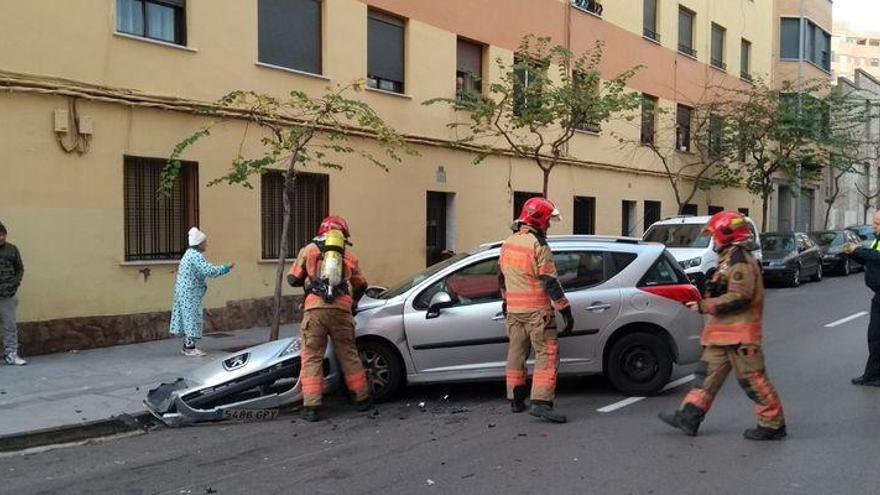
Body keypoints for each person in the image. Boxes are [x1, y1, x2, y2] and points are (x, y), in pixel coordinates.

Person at [659, 211, 786, 440]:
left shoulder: (740, 262)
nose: (713, 240)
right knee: (704, 377)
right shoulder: (728, 259)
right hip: (723, 335)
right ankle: (689, 416)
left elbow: (740, 297)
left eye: (714, 235)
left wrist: (704, 305)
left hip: (740, 336)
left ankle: (773, 424)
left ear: (726, 236)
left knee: (753, 380)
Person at [287, 215, 372, 422]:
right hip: (342, 310)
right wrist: (352, 303)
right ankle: (362, 399)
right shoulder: (349, 257)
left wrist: (310, 280)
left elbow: (292, 279)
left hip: (314, 310)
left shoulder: (308, 250)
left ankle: (311, 406)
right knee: (348, 354)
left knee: (312, 356)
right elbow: (362, 285)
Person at [499, 197, 574, 423]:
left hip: (514, 311)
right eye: (548, 220)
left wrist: (506, 304)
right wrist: (565, 310)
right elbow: (550, 281)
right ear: (538, 219)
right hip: (537, 313)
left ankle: (516, 398)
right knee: (547, 355)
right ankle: (541, 403)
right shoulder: (538, 245)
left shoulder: (508, 242)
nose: (549, 225)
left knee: (516, 353)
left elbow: (501, 278)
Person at [170, 227, 233, 357]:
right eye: (205, 242)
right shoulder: (195, 256)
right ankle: (189, 347)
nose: (206, 244)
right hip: (189, 292)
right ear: (199, 243)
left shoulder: (189, 254)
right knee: (191, 317)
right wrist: (226, 268)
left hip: (185, 291)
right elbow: (209, 271)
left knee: (188, 317)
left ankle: (187, 346)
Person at [844, 210, 880, 386]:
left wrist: (859, 249)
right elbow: (870, 261)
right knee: (875, 337)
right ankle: (872, 375)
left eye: (878, 223)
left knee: (876, 336)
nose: (874, 226)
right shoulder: (877, 241)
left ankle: (873, 375)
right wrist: (853, 253)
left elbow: (876, 258)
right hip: (878, 296)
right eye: (874, 222)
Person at [0, 221, 26, 366]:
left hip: (7, 296)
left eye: (3, 234)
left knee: (10, 327)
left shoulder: (12, 249)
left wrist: (14, 285)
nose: (1, 238)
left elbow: (20, 269)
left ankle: (11, 354)